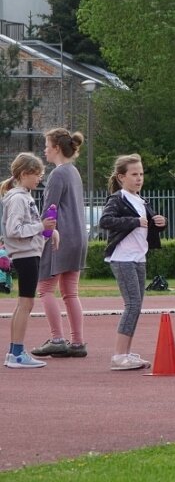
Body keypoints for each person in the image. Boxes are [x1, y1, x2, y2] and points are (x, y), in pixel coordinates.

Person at [99, 154, 167, 370]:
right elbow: (106, 221)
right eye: (134, 174)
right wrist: (135, 221)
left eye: (141, 174)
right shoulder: (117, 199)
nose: (139, 178)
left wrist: (160, 222)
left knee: (136, 307)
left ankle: (126, 353)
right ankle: (119, 355)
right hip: (123, 258)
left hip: (139, 258)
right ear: (121, 177)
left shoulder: (141, 200)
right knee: (132, 305)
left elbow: (149, 224)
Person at [31, 128, 89, 359]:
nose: (44, 150)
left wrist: (41, 235)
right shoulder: (73, 172)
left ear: (56, 148)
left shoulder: (57, 174)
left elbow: (50, 210)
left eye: (46, 146)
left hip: (59, 237)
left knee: (45, 289)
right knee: (70, 292)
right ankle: (77, 341)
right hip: (78, 237)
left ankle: (57, 338)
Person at [2, 153, 58, 368]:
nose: (39, 179)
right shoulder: (17, 198)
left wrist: (49, 232)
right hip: (25, 255)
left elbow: (31, 226)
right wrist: (40, 227)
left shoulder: (24, 196)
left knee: (24, 304)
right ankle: (16, 352)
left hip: (29, 253)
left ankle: (15, 351)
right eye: (37, 175)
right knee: (26, 303)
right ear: (24, 174)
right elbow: (13, 230)